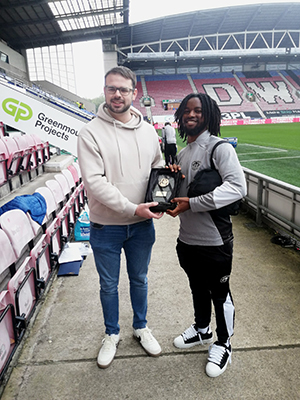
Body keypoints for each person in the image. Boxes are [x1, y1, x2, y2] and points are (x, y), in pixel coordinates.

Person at [77, 66, 164, 369]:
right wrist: (132, 208)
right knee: (108, 285)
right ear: (105, 91)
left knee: (139, 279)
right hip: (107, 227)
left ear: (134, 93)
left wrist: (162, 195)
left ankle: (140, 327)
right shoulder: (90, 132)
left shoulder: (148, 131)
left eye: (123, 89)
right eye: (112, 88)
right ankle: (111, 333)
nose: (117, 94)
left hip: (142, 225)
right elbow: (95, 182)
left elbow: (158, 167)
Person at [167, 93, 247, 378]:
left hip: (215, 241)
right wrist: (169, 195)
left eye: (198, 110)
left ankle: (224, 343)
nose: (191, 114)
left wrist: (194, 204)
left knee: (220, 293)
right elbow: (179, 196)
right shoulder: (182, 154)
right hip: (187, 239)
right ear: (179, 117)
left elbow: (238, 188)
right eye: (186, 110)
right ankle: (202, 330)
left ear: (209, 115)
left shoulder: (219, 148)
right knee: (197, 288)